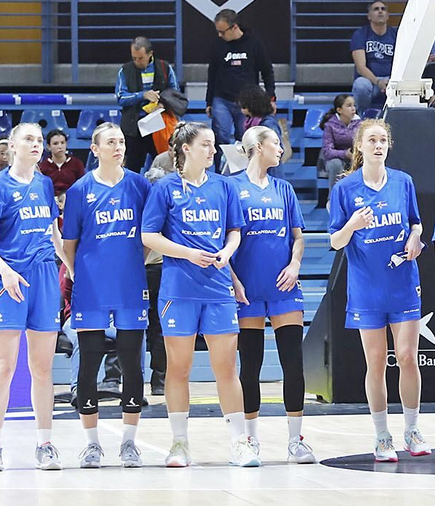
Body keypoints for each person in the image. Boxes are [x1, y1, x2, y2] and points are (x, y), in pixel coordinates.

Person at [139, 122, 252, 468]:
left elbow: (234, 231)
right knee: (179, 368)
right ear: (186, 148)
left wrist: (228, 252)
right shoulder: (165, 188)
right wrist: (186, 253)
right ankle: (179, 443)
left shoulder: (223, 186)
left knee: (226, 369)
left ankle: (240, 442)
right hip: (178, 289)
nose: (213, 151)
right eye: (206, 145)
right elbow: (148, 236)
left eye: (213, 145)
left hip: (217, 288)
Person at [328, 119, 428, 461]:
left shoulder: (403, 182)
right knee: (376, 362)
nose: (378, 145)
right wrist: (353, 224)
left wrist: (416, 237)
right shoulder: (345, 189)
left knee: (407, 357)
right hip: (367, 287)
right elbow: (335, 240)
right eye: (372, 139)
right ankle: (382, 435)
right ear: (360, 146)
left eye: (383, 139)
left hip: (402, 282)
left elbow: (416, 222)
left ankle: (412, 429)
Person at [59, 122, 153, 468]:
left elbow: (148, 239)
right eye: (110, 142)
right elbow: (68, 246)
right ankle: (92, 444)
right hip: (91, 290)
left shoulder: (141, 185)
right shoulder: (80, 191)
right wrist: (80, 275)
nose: (118, 147)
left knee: (131, 363)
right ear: (95, 149)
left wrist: (131, 265)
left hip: (130, 287)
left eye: (122, 141)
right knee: (89, 363)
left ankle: (129, 443)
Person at [0, 124, 62, 471]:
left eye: (40, 141)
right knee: (4, 366)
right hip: (7, 279)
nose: (37, 145)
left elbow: (53, 231)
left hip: (43, 278)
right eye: (29, 139)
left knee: (42, 368)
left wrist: (69, 267)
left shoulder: (43, 183)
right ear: (12, 145)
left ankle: (45, 444)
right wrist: (6, 271)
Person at [228, 124, 314, 464]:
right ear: (258, 147)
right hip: (248, 289)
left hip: (283, 288)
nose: (280, 149)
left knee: (293, 363)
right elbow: (226, 241)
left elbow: (299, 237)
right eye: (275, 143)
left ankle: (296, 440)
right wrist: (234, 280)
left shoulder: (284, 189)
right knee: (250, 366)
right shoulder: (232, 188)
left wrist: (294, 265)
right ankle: (249, 439)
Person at [207, 9, 274, 146]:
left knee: (245, 139)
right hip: (222, 99)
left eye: (222, 32)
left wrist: (271, 97)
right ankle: (220, 168)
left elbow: (267, 71)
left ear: (234, 27)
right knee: (220, 138)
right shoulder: (218, 45)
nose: (220, 35)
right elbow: (212, 73)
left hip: (247, 102)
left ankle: (245, 168)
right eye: (218, 32)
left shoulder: (255, 43)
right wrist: (209, 101)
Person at [115, 37, 182, 173]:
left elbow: (175, 94)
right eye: (134, 58)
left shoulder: (165, 67)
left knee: (163, 166)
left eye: (140, 58)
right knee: (132, 168)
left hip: (159, 126)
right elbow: (121, 97)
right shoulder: (125, 70)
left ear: (150, 54)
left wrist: (163, 104)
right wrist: (142, 95)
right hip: (134, 128)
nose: (137, 62)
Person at [349, 0, 397, 114]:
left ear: (388, 15)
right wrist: (378, 81)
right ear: (369, 16)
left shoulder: (396, 34)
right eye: (376, 9)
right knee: (361, 85)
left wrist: (391, 81)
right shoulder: (360, 34)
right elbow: (361, 67)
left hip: (390, 81)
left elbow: (401, 63)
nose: (380, 11)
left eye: (383, 9)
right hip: (371, 82)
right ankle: (362, 117)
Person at [319, 93, 360, 177]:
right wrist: (345, 154)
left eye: (354, 105)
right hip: (335, 159)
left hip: (354, 157)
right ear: (339, 110)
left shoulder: (360, 124)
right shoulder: (330, 125)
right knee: (335, 164)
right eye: (349, 106)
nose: (353, 109)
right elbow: (327, 152)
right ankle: (335, 190)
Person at [39, 129, 86, 196]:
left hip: (73, 198)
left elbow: (82, 186)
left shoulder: (77, 164)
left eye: (62, 143)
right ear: (49, 146)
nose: (60, 146)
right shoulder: (43, 166)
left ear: (66, 144)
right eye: (55, 143)